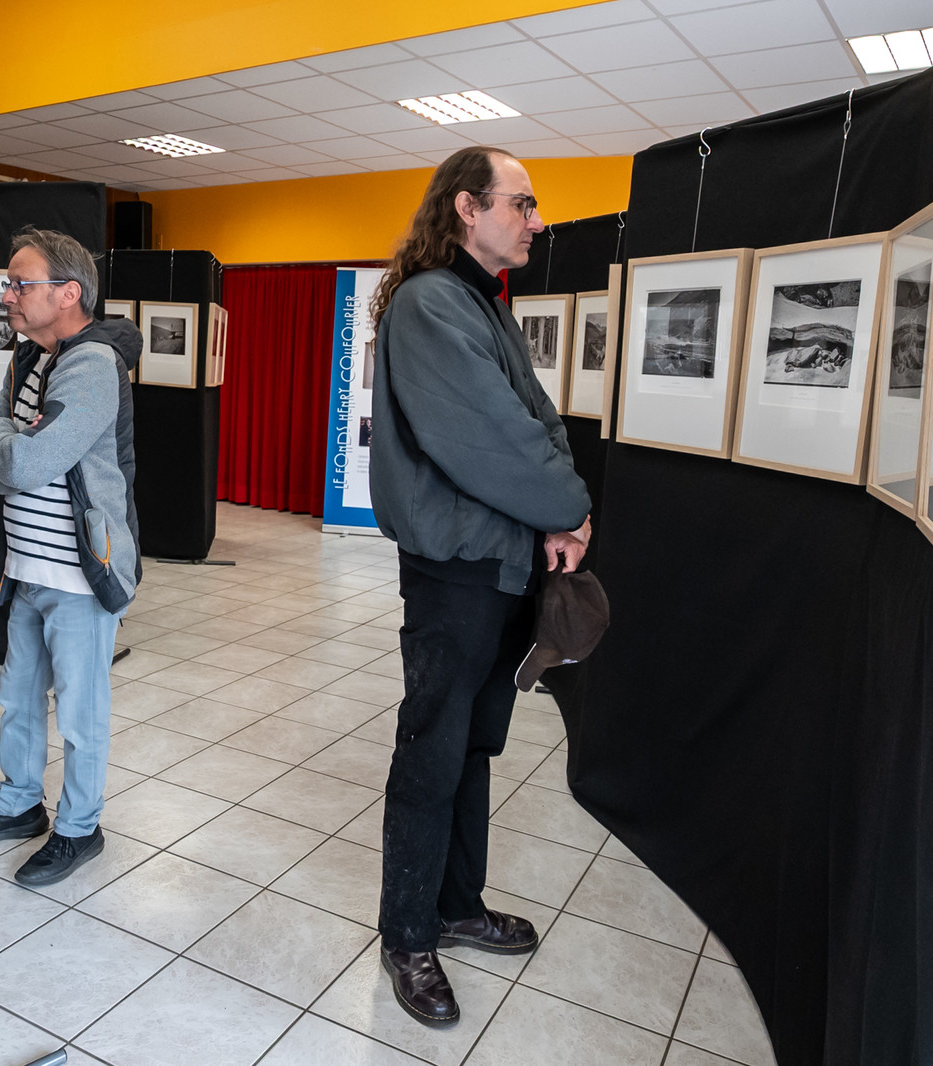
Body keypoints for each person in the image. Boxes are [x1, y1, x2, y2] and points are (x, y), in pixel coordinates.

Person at [367, 146, 593, 1026]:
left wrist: (563, 511)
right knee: (432, 752)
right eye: (523, 203)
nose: (535, 220)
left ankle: (456, 907)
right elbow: (490, 440)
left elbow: (538, 420)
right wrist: (569, 507)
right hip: (454, 573)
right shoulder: (431, 305)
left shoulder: (477, 304)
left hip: (497, 567)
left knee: (471, 747)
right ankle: (408, 937)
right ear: (467, 207)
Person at [0, 227, 143, 887]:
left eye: (19, 284)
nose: (7, 295)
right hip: (27, 570)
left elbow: (27, 460)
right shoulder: (29, 357)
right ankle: (18, 806)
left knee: (81, 716)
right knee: (18, 700)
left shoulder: (91, 363)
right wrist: (6, 440)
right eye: (9, 283)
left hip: (80, 577)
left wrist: (7, 441)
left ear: (67, 292)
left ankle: (80, 829)